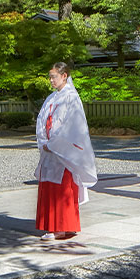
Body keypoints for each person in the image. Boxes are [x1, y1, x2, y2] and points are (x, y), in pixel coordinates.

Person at [35, 62, 98, 240]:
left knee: (62, 188)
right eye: (50, 76)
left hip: (63, 151)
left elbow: (72, 126)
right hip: (49, 148)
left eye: (54, 76)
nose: (51, 80)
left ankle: (61, 227)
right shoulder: (51, 98)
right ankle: (54, 226)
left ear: (64, 76)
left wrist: (55, 143)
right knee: (50, 186)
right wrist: (44, 140)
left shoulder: (72, 97)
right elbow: (42, 120)